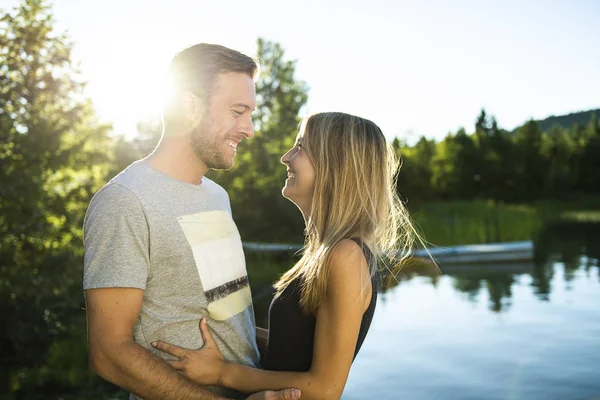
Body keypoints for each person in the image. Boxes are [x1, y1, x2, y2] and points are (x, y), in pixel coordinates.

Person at [153, 112, 427, 399]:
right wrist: (222, 332)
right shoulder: (325, 252)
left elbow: (324, 389)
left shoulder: (345, 257)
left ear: (334, 166)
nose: (286, 157)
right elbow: (294, 346)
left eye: (301, 147)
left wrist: (222, 372)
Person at [83, 43, 300, 400]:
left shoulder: (218, 197)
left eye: (250, 114)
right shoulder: (125, 201)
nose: (249, 129)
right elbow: (109, 354)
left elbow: (227, 319)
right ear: (189, 106)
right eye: (237, 111)